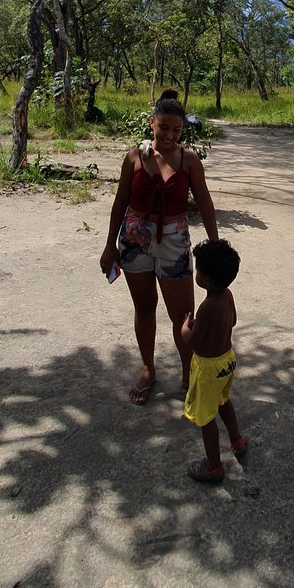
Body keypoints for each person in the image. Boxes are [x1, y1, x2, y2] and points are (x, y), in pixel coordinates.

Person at [100, 92, 219, 404]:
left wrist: (215, 245)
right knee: (144, 307)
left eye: (176, 130)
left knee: (182, 315)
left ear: (182, 131)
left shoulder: (189, 160)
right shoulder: (134, 158)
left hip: (175, 239)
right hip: (134, 238)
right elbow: (120, 201)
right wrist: (110, 245)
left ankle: (187, 371)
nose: (169, 135)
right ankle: (148, 369)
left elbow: (205, 203)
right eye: (163, 127)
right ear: (152, 123)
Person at [180, 238, 246, 485]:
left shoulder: (206, 307)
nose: (195, 273)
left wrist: (184, 327)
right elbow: (233, 321)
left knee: (206, 418)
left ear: (205, 279)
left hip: (208, 368)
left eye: (198, 270)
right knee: (223, 401)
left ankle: (213, 467)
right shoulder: (227, 295)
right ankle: (237, 440)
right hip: (227, 361)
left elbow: (194, 343)